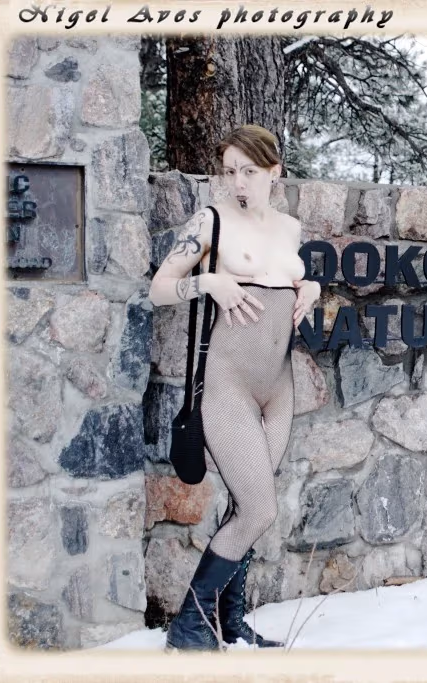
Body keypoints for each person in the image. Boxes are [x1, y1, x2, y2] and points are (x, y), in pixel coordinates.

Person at [148, 124, 322, 651]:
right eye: (229, 171)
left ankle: (231, 621)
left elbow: (287, 278)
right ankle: (189, 626)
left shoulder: (290, 228)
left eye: (249, 171)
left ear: (275, 171)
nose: (238, 182)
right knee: (260, 509)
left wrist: (311, 286)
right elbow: (158, 289)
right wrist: (208, 282)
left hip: (279, 387)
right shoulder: (212, 221)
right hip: (229, 384)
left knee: (249, 506)